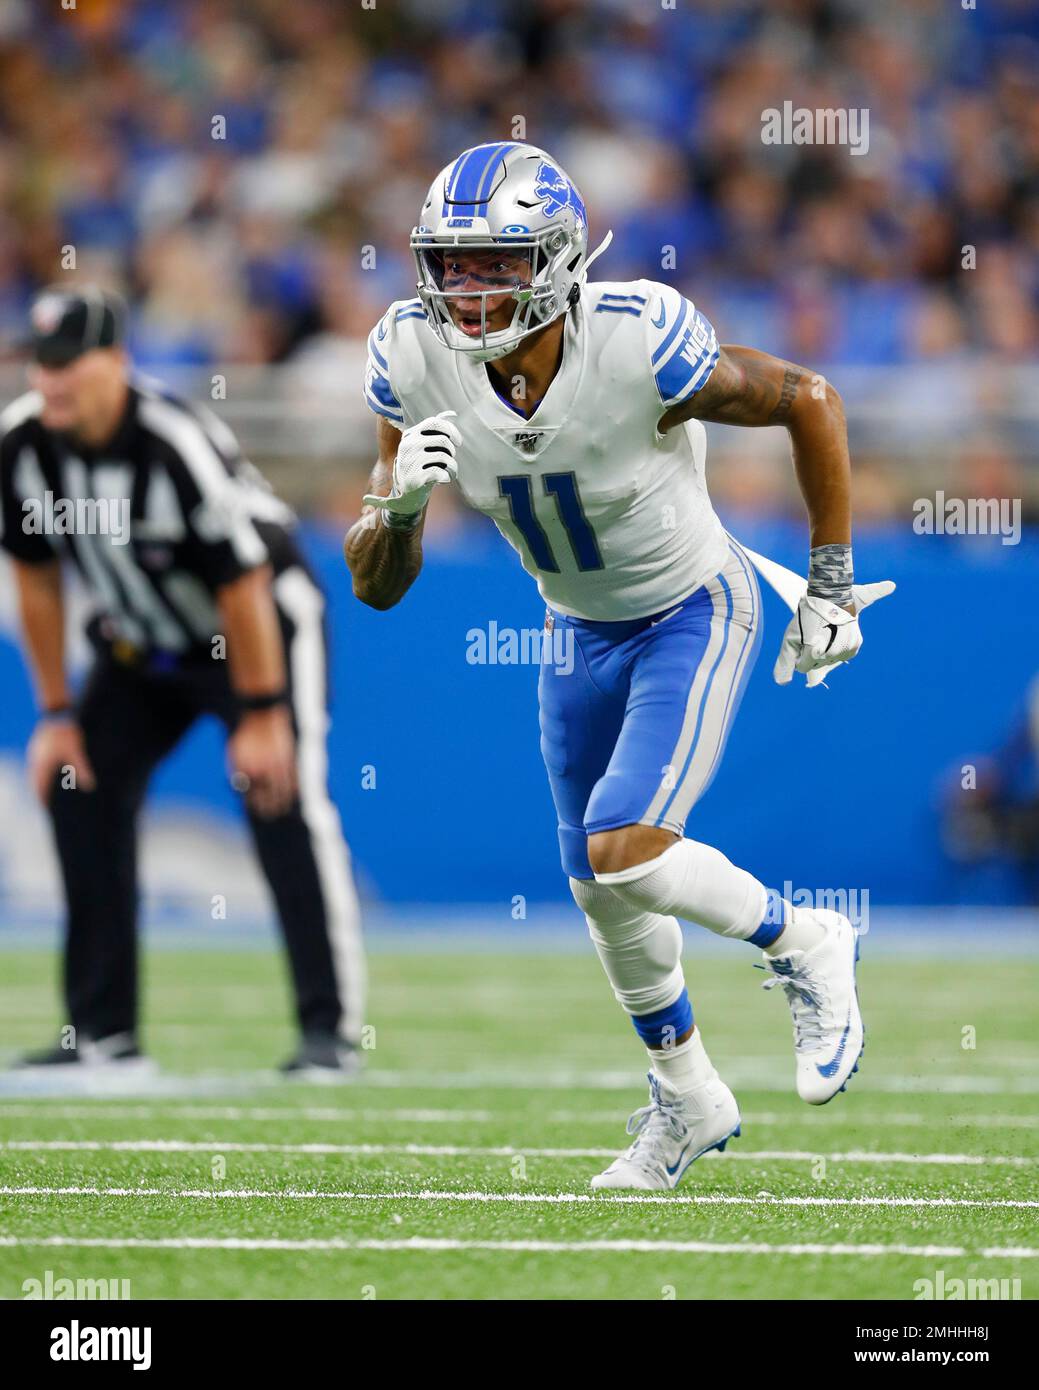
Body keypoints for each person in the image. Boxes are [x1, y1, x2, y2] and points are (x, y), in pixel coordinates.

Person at [345, 143, 893, 1189]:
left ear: (554, 260)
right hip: (574, 628)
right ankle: (686, 1098)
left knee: (626, 851)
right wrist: (398, 509)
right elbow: (376, 585)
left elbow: (808, 397)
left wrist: (828, 578)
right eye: (452, 264)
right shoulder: (408, 356)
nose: (467, 289)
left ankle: (805, 937)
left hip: (692, 605)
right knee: (600, 889)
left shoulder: (637, 340)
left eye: (494, 264)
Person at [0, 285, 365, 1081]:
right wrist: (56, 713)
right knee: (77, 783)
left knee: (279, 795)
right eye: (40, 364)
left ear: (117, 364)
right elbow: (33, 578)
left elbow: (244, 582)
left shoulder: (172, 441)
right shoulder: (23, 446)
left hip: (256, 630)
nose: (51, 381)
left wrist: (264, 713)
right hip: (139, 648)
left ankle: (329, 1032)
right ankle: (102, 1038)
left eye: (69, 364)